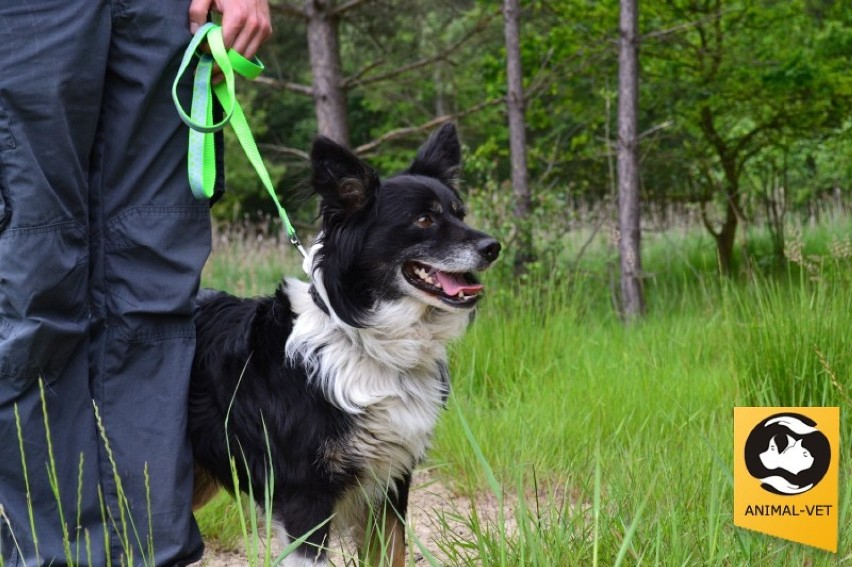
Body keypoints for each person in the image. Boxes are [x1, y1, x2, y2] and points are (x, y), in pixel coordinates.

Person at [0, 1, 271, 565]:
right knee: (34, 285)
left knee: (155, 293)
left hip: (164, 10)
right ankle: (57, 557)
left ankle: (154, 554)